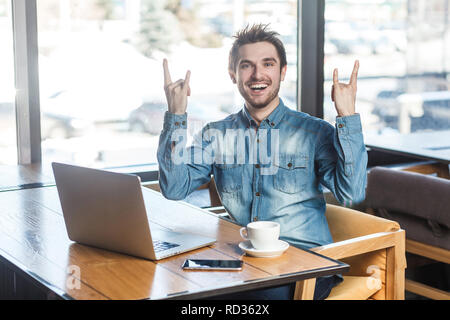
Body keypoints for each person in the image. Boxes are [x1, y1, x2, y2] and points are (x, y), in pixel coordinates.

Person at [157, 24, 367, 300]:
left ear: (282, 72)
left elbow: (352, 192)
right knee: (178, 288)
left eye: (268, 64)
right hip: (243, 262)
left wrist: (347, 115)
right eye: (247, 66)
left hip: (305, 266)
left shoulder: (314, 133)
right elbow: (174, 188)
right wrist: (176, 115)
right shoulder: (216, 134)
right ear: (233, 75)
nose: (257, 74)